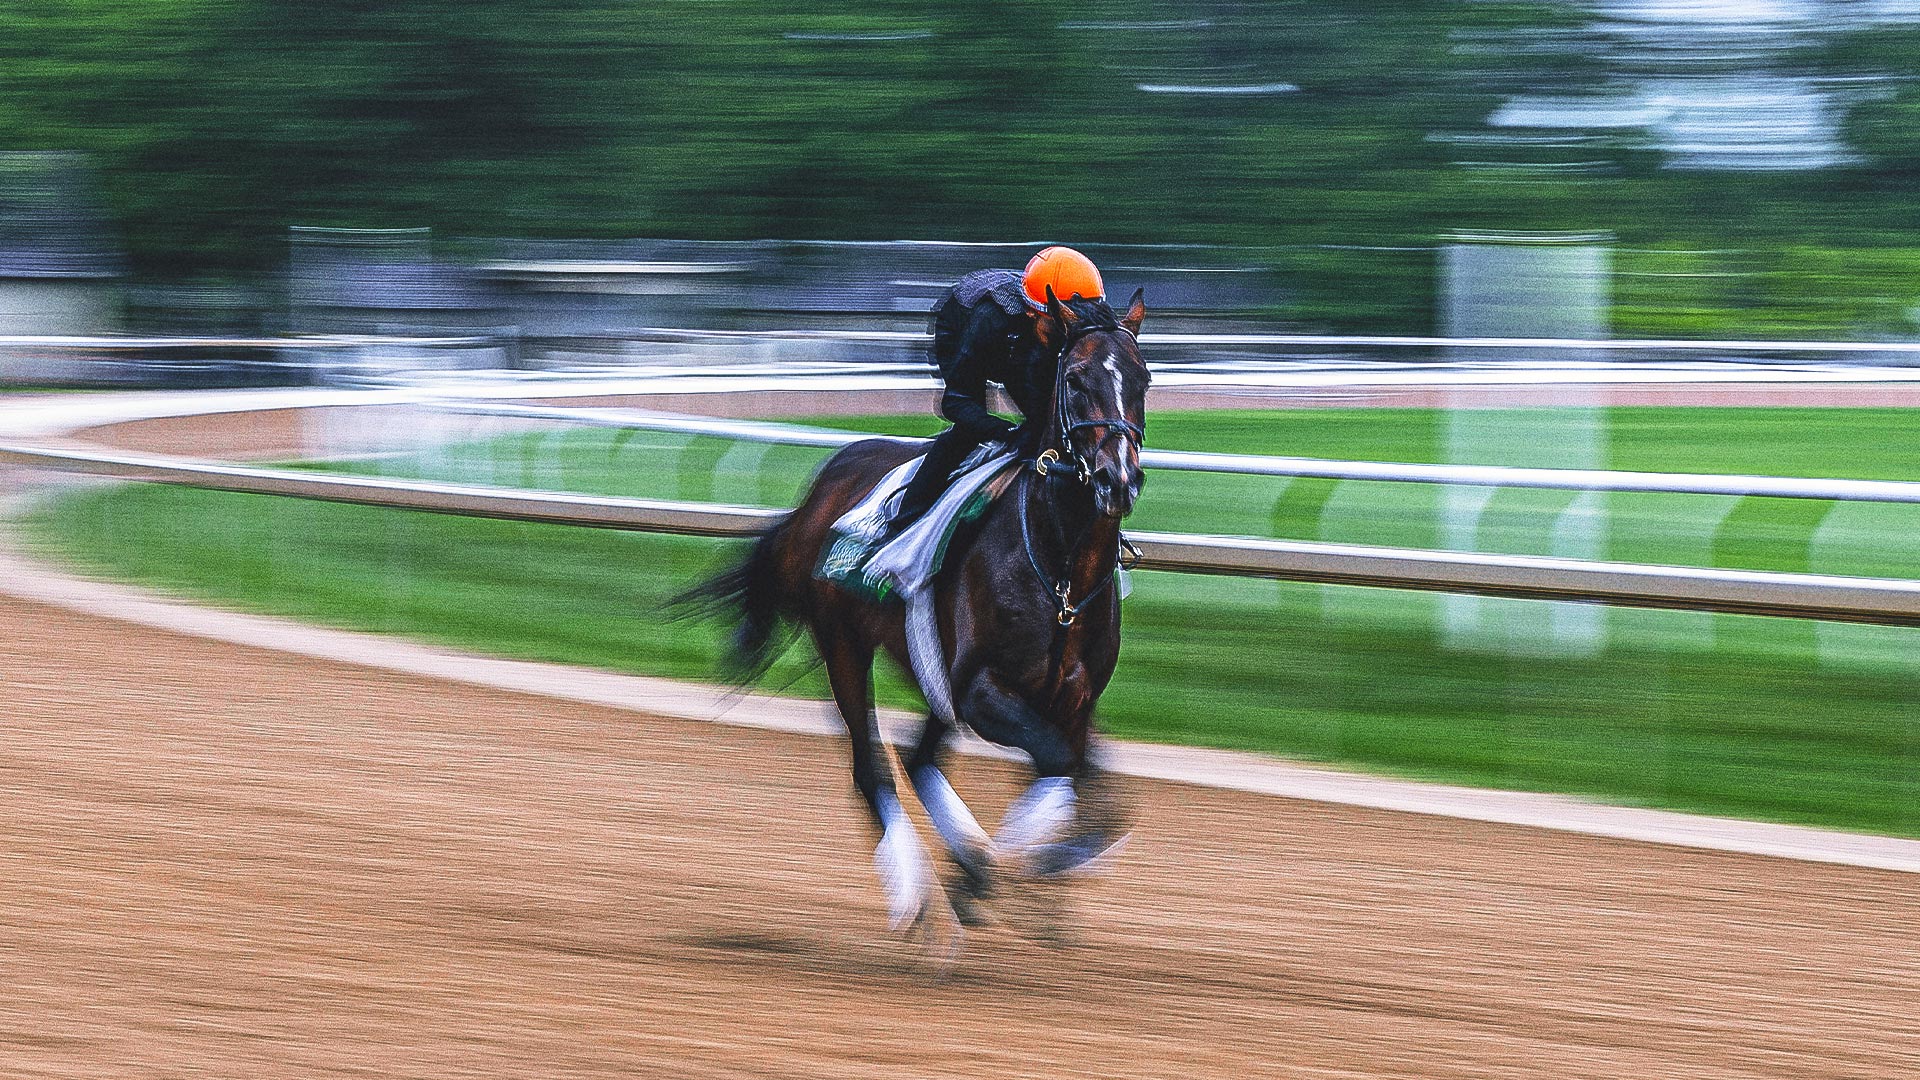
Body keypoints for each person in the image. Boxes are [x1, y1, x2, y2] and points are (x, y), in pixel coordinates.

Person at [882, 245, 1106, 539]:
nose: (1066, 338)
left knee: (1044, 424)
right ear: (1032, 312)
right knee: (968, 432)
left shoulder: (1048, 325)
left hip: (1020, 341)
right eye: (1058, 328)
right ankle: (903, 522)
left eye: (1073, 327)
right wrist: (1006, 432)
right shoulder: (990, 319)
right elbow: (955, 403)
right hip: (961, 328)